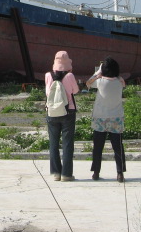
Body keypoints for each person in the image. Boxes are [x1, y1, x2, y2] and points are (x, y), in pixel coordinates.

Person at [86, 56, 127, 183]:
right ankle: (120, 173)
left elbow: (88, 83)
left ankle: (96, 172)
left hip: (100, 118)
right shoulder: (120, 82)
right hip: (116, 118)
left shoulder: (99, 82)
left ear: (103, 70)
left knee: (98, 147)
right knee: (118, 147)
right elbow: (121, 79)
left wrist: (98, 72)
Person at [44, 50, 80, 182]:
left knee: (53, 143)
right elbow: (75, 91)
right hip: (68, 112)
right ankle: (66, 174)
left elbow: (48, 92)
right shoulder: (70, 76)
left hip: (52, 112)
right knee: (67, 143)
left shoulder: (48, 75)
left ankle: (55, 173)